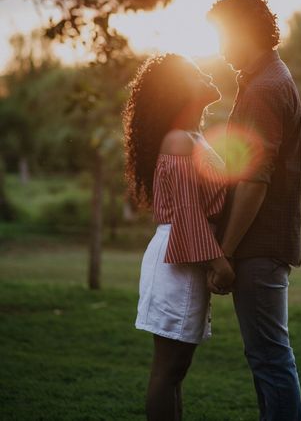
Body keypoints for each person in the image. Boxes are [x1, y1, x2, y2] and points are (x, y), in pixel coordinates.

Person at [206, 0, 301, 421]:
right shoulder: (267, 78)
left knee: (269, 359)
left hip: (258, 245)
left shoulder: (265, 88)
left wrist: (225, 251)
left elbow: (254, 181)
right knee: (266, 358)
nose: (221, 49)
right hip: (262, 243)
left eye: (223, 38)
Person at [122, 53, 235, 421]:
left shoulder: (191, 137)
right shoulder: (179, 141)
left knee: (176, 372)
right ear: (178, 90)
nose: (206, 74)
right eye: (195, 73)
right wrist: (219, 263)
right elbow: (188, 214)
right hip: (178, 260)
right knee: (168, 372)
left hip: (186, 256)